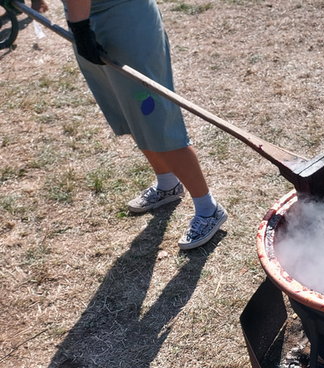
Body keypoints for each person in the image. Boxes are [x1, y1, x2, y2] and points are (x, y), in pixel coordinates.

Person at [64, 0, 226, 250]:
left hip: (121, 21)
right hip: (86, 20)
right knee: (132, 115)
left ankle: (208, 208)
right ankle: (167, 183)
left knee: (156, 120)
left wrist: (80, 27)